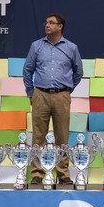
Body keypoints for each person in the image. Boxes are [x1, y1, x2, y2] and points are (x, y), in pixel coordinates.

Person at [23, 13, 83, 186]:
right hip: (40, 94)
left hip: (61, 95)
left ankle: (63, 173)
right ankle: (36, 174)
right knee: (38, 136)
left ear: (60, 27)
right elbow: (28, 70)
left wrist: (67, 90)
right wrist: (31, 93)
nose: (47, 25)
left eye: (51, 23)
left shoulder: (71, 47)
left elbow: (78, 72)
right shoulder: (36, 46)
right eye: (46, 23)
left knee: (62, 136)